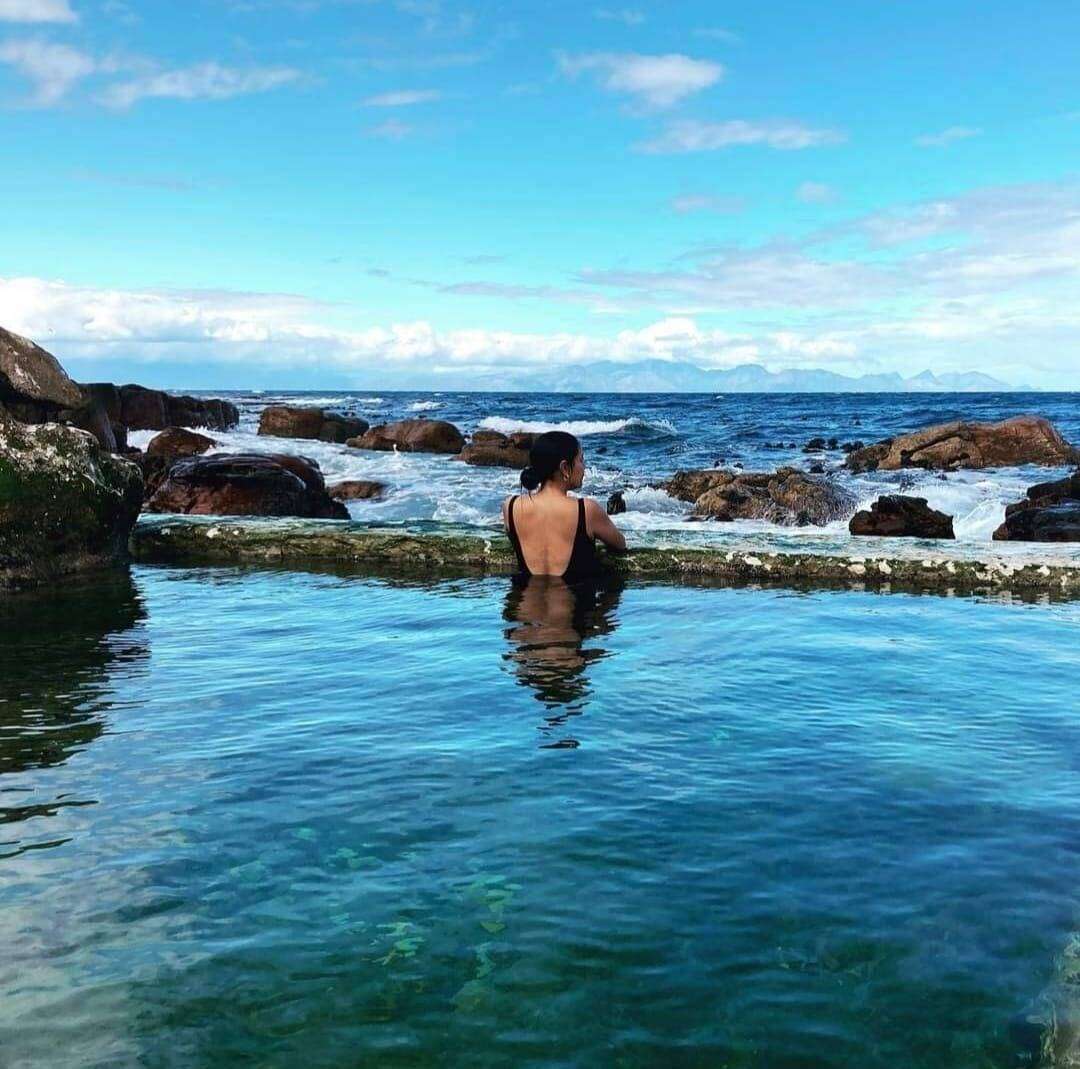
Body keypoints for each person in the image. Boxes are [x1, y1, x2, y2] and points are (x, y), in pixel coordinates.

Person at [502, 430, 626, 583]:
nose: (584, 467)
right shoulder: (586, 510)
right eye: (581, 460)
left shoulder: (511, 506)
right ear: (565, 468)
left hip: (524, 602)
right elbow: (620, 544)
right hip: (575, 604)